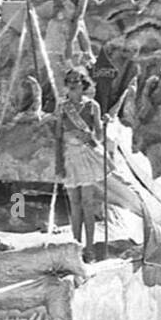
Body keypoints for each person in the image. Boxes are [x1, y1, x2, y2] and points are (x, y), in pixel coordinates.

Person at [57, 67, 105, 257]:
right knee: (74, 203)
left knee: (87, 202)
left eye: (76, 80)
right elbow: (57, 137)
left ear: (83, 83)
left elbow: (99, 136)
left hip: (86, 154)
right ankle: (76, 247)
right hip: (69, 156)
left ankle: (90, 248)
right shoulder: (62, 107)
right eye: (69, 80)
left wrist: (92, 133)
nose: (73, 83)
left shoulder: (93, 106)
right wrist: (58, 163)